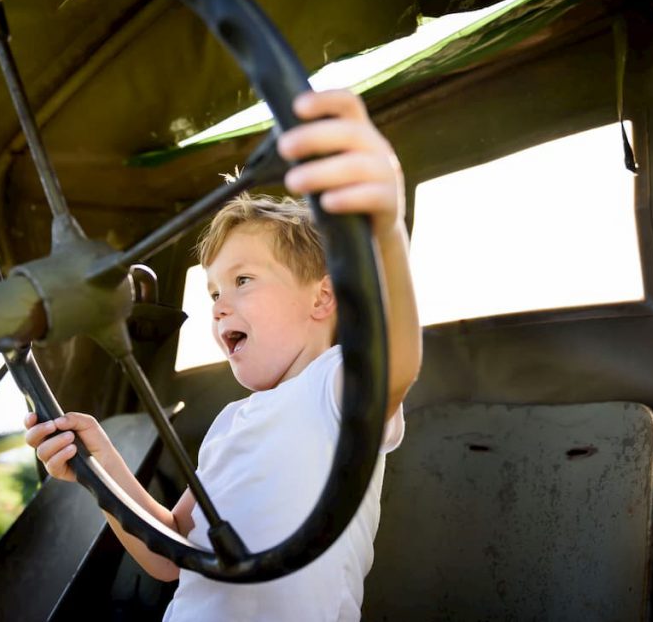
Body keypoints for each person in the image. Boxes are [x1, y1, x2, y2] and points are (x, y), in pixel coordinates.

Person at [24, 89, 422, 621]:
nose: (218, 307)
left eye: (243, 280)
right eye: (212, 293)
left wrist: (387, 227)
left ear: (322, 297)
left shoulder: (336, 386)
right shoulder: (229, 423)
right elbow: (172, 553)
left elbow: (394, 357)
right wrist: (100, 469)